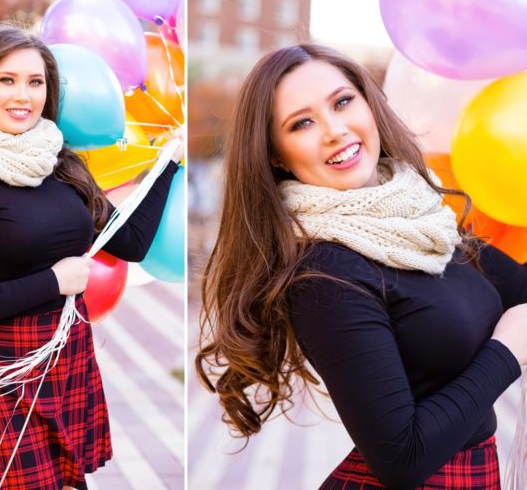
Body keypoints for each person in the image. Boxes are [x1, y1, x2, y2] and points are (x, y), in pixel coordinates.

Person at [195, 43, 527, 489]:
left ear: (370, 106)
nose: (334, 130)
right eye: (302, 123)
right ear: (276, 155)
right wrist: (506, 353)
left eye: (343, 101)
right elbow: (401, 459)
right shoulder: (323, 275)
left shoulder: (424, 220)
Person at [0, 23, 182, 490]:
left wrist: (167, 165)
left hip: (65, 356)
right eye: (6, 80)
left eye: (35, 82)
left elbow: (129, 242)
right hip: (1, 371)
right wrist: (54, 282)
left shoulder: (61, 162)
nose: (23, 95)